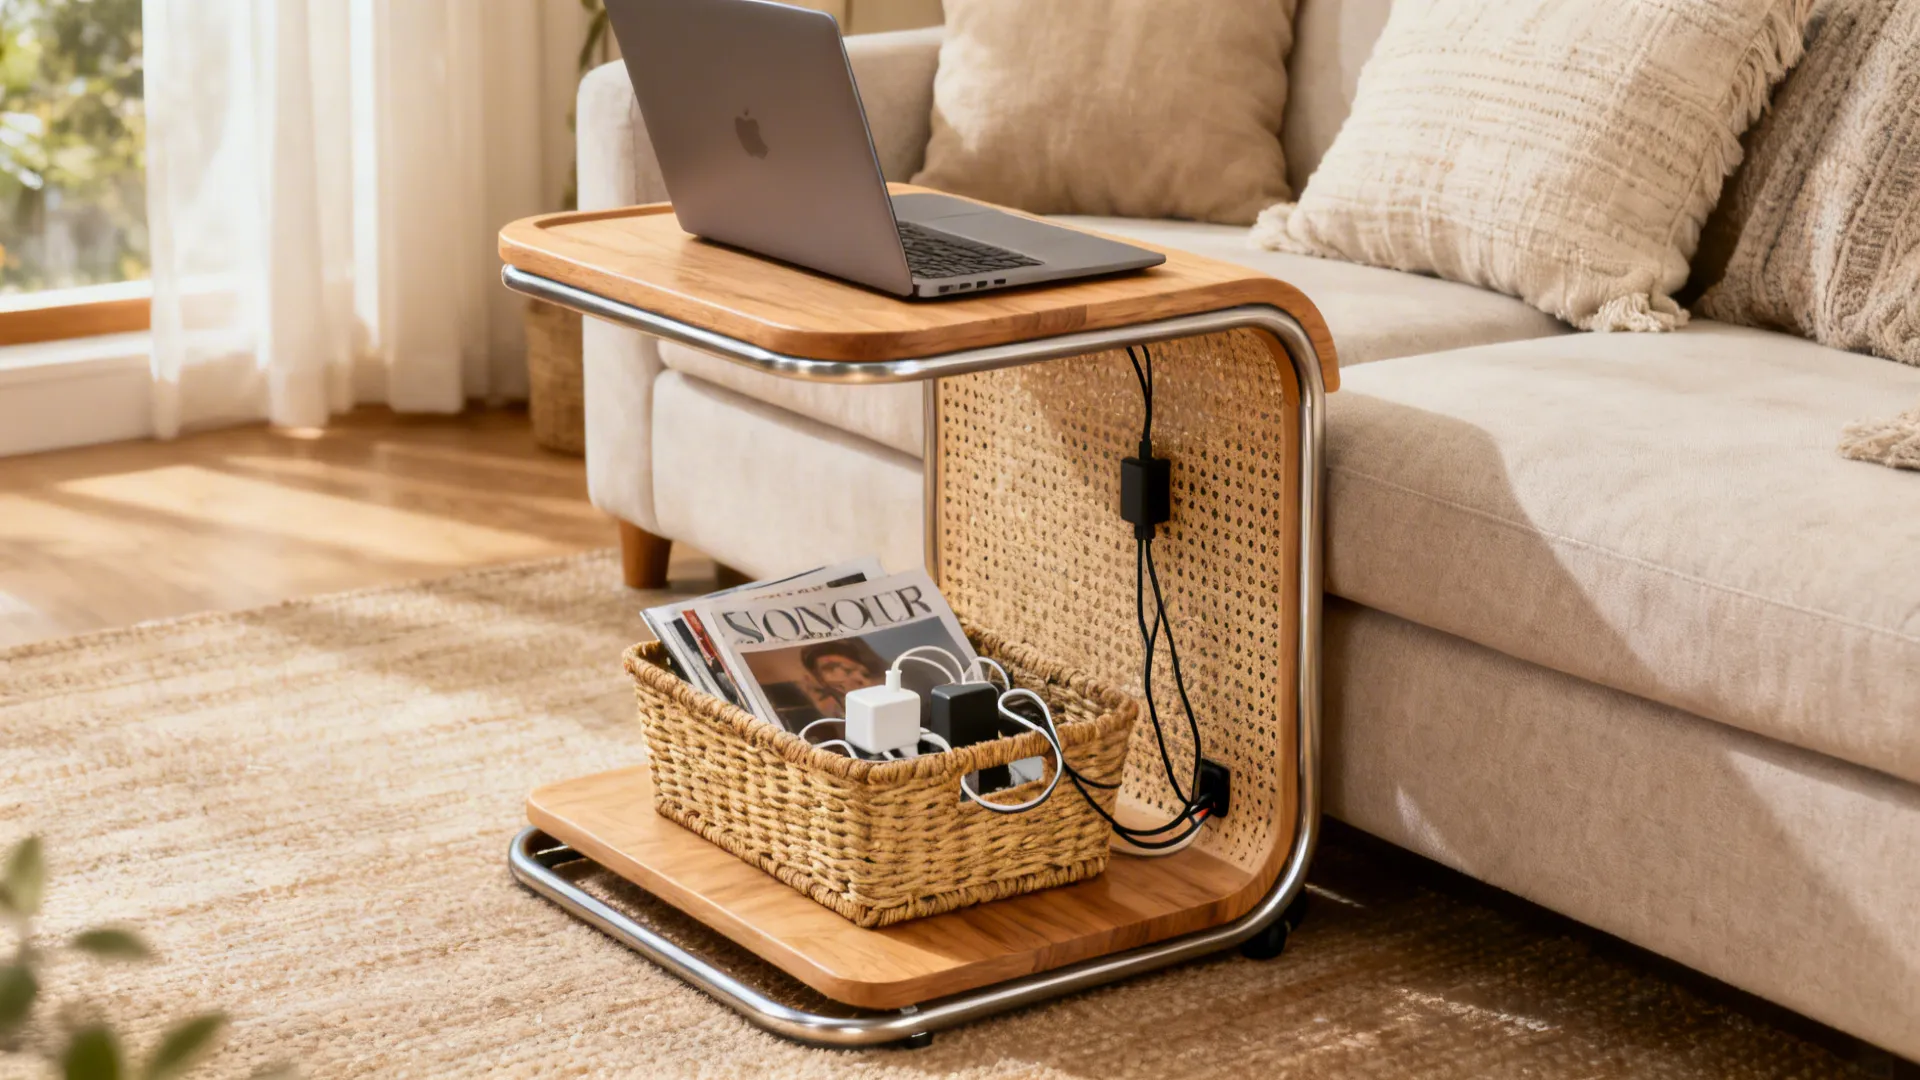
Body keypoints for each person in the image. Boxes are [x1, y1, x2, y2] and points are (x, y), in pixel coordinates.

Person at [799, 638, 888, 718]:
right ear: (820, 679)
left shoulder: (890, 695)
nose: (858, 679)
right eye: (831, 668)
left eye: (849, 670)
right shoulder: (825, 716)